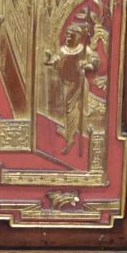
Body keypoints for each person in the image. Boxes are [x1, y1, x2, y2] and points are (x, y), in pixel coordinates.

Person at [44, 22, 100, 154]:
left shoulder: (83, 49)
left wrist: (88, 64)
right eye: (68, 35)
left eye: (72, 35)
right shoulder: (63, 50)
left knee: (70, 109)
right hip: (65, 82)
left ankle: (70, 140)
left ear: (79, 37)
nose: (69, 38)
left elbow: (95, 60)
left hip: (77, 82)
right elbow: (57, 61)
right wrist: (51, 60)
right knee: (67, 108)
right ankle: (69, 131)